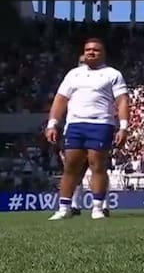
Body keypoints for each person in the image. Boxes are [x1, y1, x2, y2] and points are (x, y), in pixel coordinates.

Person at [45, 39, 129, 220]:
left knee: (97, 165)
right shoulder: (73, 75)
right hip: (75, 124)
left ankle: (97, 207)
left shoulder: (112, 74)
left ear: (103, 53)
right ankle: (64, 208)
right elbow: (60, 100)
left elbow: (122, 101)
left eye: (96, 50)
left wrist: (123, 127)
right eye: (88, 50)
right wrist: (52, 123)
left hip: (101, 123)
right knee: (70, 166)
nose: (91, 52)